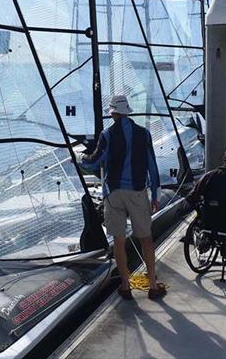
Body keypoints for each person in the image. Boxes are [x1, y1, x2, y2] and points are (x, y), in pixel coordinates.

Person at [81, 94, 167, 300]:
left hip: (113, 193)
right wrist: (155, 194)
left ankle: (125, 286)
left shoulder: (107, 134)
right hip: (137, 192)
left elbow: (94, 161)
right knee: (146, 238)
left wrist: (81, 158)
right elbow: (152, 167)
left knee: (118, 240)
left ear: (112, 113)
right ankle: (153, 286)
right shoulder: (143, 134)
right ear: (127, 111)